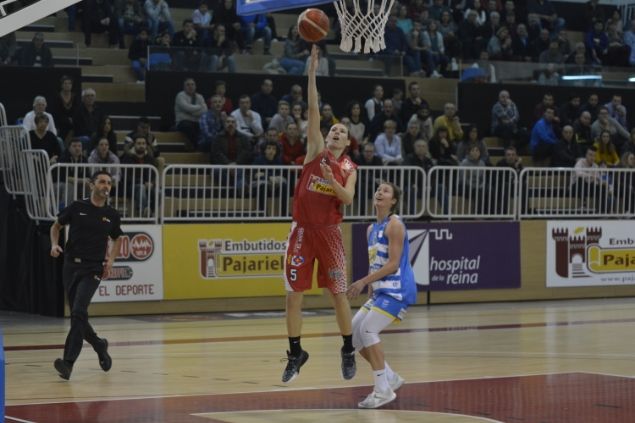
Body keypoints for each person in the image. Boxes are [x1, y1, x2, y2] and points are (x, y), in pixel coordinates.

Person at [282, 45, 358, 384]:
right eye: (333, 130)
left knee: (337, 294)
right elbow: (313, 108)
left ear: (348, 141)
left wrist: (331, 181)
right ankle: (295, 353)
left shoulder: (349, 167)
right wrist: (312, 73)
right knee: (292, 297)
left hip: (329, 234)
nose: (336, 132)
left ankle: (347, 348)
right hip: (302, 231)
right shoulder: (315, 150)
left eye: (342, 131)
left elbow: (348, 199)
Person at [347, 181, 416, 409]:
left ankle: (382, 390)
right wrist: (370, 288)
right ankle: (390, 377)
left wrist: (363, 281)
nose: (379, 192)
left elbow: (393, 264)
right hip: (380, 291)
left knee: (368, 330)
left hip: (397, 289)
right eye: (378, 189)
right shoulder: (371, 229)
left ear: (393, 201)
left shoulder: (394, 225)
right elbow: (375, 262)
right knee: (353, 335)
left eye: (385, 191)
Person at [50, 170, 123, 380]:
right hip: (70, 267)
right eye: (102, 182)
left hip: (93, 269)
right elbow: (56, 226)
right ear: (92, 185)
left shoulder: (112, 214)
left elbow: (118, 238)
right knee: (78, 315)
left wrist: (111, 260)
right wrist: (54, 244)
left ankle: (68, 363)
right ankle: (99, 345)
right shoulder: (77, 207)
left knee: (79, 310)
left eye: (109, 183)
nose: (106, 186)